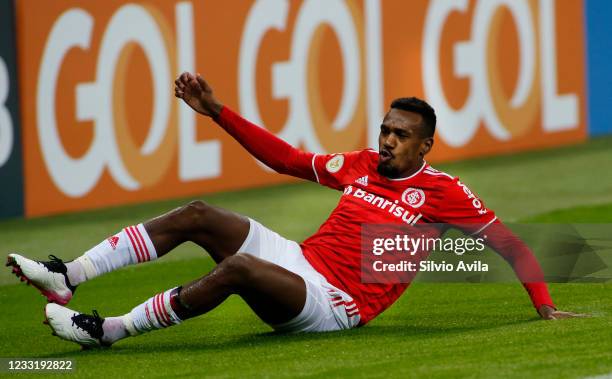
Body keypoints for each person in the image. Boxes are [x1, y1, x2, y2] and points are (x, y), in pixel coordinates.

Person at [6, 72, 582, 349]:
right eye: (384, 129)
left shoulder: (444, 192)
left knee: (237, 270)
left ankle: (106, 331)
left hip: (336, 303)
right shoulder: (358, 164)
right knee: (200, 213)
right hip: (300, 261)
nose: (386, 140)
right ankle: (68, 275)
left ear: (425, 145)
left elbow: (510, 245)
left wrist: (545, 307)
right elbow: (284, 159)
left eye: (400, 135)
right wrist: (218, 113)